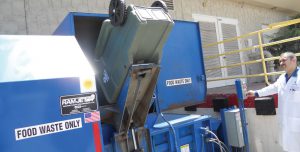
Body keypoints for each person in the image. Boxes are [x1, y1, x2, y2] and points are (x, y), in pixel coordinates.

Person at [247, 52, 300, 152]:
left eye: (284, 60)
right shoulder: (282, 78)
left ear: (293, 60)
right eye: (280, 61)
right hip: (286, 124)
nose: (281, 63)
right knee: (288, 147)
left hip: (297, 123)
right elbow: (272, 88)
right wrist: (256, 93)